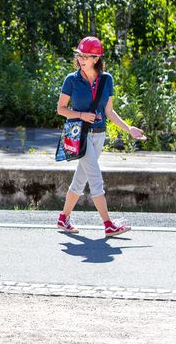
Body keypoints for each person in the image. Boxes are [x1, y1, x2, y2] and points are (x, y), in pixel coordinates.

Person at [56, 36, 145, 237]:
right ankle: (108, 224)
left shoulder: (107, 80)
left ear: (96, 58)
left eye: (86, 56)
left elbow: (109, 112)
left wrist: (128, 128)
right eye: (79, 55)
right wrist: (80, 115)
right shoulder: (71, 79)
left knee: (80, 179)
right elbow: (61, 109)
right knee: (96, 180)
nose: (81, 59)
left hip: (99, 136)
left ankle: (63, 218)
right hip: (80, 136)